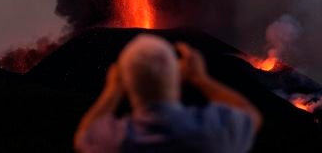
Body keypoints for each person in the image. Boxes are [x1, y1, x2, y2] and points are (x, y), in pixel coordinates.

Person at [74, 34, 262, 153]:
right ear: (177, 76)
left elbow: (84, 135)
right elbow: (249, 115)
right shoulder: (211, 134)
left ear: (126, 83)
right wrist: (200, 79)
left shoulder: (113, 141)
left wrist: (112, 90)